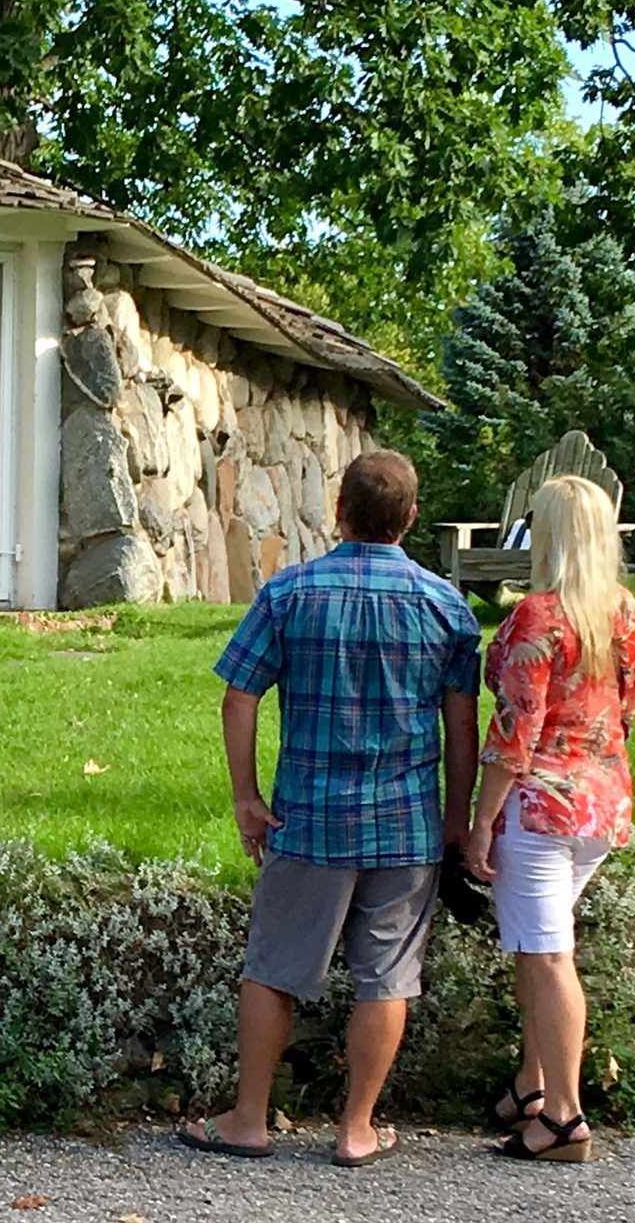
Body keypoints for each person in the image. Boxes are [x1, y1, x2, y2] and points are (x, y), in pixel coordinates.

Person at [179, 448, 481, 1168]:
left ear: (337, 510)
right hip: (405, 823)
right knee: (388, 978)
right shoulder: (446, 606)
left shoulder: (289, 594)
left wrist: (246, 796)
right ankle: (356, 1127)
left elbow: (238, 695)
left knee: (274, 967)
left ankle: (249, 1117)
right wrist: (457, 817)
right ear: (410, 518)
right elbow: (463, 724)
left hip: (308, 820)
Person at [462, 473, 635, 1165]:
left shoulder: (538, 616)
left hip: (540, 806)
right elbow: (626, 709)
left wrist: (481, 821)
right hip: (602, 802)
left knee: (546, 955)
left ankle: (565, 1118)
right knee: (538, 945)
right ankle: (532, 1086)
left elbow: (514, 732)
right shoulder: (624, 612)